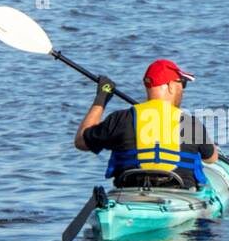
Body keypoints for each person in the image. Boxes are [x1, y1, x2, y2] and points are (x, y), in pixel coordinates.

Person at [74, 59, 219, 190]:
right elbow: (211, 158)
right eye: (182, 84)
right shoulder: (190, 124)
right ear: (170, 86)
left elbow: (81, 141)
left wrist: (101, 98)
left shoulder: (121, 119)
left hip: (129, 194)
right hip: (179, 196)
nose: (183, 90)